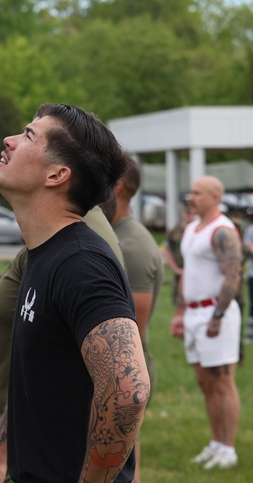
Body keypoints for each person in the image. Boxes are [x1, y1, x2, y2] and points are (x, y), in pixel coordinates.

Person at [0, 103, 148, 483]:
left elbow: (128, 391)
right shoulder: (45, 254)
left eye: (29, 135)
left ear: (57, 174)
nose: (10, 140)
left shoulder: (81, 264)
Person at [170, 176, 243, 470]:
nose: (192, 197)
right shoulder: (191, 229)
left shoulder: (222, 231)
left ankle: (228, 448)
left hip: (216, 313)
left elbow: (232, 276)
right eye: (192, 192)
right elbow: (187, 272)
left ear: (215, 197)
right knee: (205, 383)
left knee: (222, 382)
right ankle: (215, 442)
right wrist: (179, 313)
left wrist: (217, 317)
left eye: (198, 193)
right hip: (193, 313)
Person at [109, 159, 163, 481]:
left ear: (115, 187)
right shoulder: (116, 235)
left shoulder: (133, 245)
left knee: (121, 470)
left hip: (126, 375)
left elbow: (133, 332)